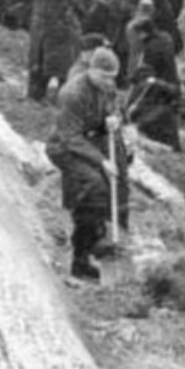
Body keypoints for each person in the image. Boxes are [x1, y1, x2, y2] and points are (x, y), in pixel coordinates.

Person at [45, 47, 125, 280]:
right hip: (63, 147)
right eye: (103, 76)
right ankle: (80, 259)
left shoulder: (106, 86)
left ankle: (95, 235)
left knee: (108, 185)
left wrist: (113, 120)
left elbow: (114, 106)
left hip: (88, 140)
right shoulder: (72, 93)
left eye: (112, 77)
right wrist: (102, 162)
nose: (108, 82)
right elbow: (71, 138)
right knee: (95, 187)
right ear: (91, 70)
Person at [28, 0, 84, 100]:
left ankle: (34, 94)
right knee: (62, 63)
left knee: (37, 57)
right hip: (60, 24)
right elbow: (79, 4)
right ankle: (60, 96)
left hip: (38, 21)